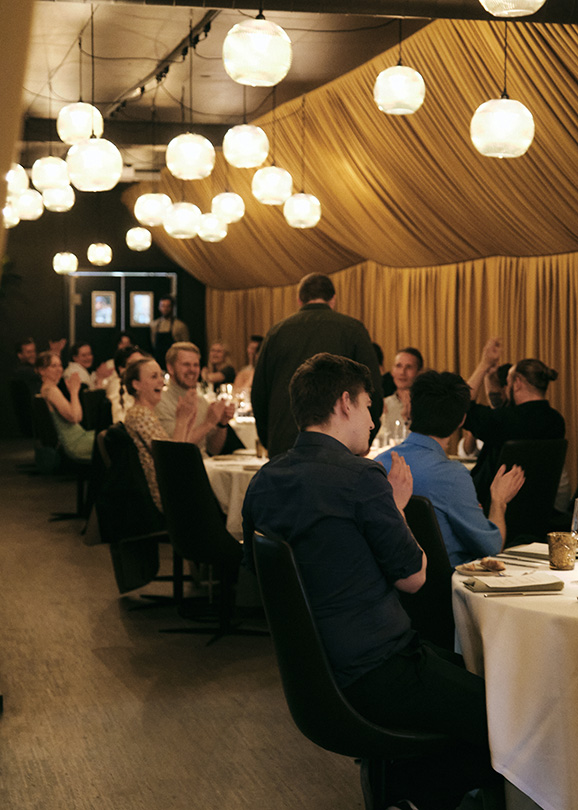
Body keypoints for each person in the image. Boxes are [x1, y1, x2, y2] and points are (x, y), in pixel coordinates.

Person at [243, 353, 503, 810]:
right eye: (367, 405)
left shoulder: (264, 481)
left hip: (316, 673)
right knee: (511, 715)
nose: (371, 419)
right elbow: (415, 579)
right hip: (380, 669)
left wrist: (390, 510)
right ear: (344, 403)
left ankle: (407, 789)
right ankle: (417, 796)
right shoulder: (361, 478)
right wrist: (396, 510)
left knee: (472, 674)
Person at [375, 370, 525, 566]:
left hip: (394, 586)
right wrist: (499, 501)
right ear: (462, 421)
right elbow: (491, 548)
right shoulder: (452, 476)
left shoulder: (379, 463)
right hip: (446, 588)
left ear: (410, 410)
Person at [251, 273, 383, 458]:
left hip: (284, 442)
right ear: (333, 299)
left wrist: (270, 440)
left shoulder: (276, 333)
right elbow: (373, 389)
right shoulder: (353, 330)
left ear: (299, 300)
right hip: (339, 445)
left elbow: (259, 395)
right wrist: (365, 439)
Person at [465, 338, 565, 511]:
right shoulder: (556, 421)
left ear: (517, 383)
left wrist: (483, 365)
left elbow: (460, 406)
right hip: (538, 509)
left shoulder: (505, 420)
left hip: (495, 508)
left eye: (509, 382)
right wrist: (490, 377)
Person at [124, 357, 199, 512]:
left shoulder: (146, 413)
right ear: (136, 384)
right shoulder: (139, 415)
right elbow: (171, 460)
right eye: (154, 377)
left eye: (160, 376)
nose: (161, 382)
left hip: (168, 487)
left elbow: (177, 451)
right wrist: (181, 420)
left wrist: (187, 421)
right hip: (165, 495)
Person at [155, 342, 234, 456]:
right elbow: (176, 450)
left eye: (196, 365)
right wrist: (209, 423)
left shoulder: (202, 401)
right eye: (186, 365)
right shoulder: (161, 402)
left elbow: (213, 449)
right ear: (170, 368)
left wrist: (222, 423)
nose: (192, 370)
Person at [36, 351, 94, 462]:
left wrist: (73, 391)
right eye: (53, 366)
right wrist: (74, 391)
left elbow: (77, 417)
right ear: (42, 371)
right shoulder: (50, 390)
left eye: (60, 365)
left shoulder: (50, 389)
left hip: (80, 437)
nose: (59, 369)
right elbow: (75, 418)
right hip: (76, 443)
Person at [382, 347, 423, 441]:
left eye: (409, 367)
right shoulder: (384, 404)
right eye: (398, 366)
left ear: (418, 372)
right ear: (392, 371)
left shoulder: (425, 405)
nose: (402, 372)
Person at [106, 345, 148, 423]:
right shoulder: (118, 386)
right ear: (122, 369)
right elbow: (119, 421)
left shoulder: (145, 385)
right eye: (136, 365)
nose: (143, 368)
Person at [149, 294, 189, 367]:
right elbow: (153, 343)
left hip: (175, 362)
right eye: (163, 306)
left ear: (172, 308)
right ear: (159, 307)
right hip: (158, 361)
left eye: (168, 306)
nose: (165, 309)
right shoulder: (154, 325)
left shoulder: (180, 325)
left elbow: (186, 346)